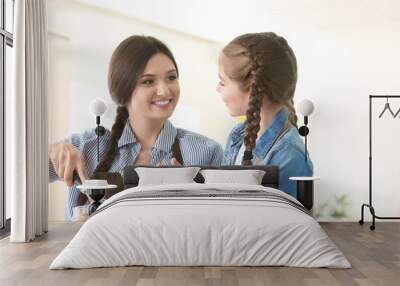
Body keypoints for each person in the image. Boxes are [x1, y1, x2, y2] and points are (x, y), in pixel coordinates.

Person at [49, 35, 223, 221]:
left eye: (171, 77)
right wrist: (50, 151)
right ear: (123, 90)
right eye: (148, 81)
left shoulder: (207, 152)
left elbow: (218, 224)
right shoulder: (84, 147)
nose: (164, 91)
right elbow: (21, 171)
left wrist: (189, 198)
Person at [217, 32, 313, 198]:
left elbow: (287, 223)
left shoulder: (290, 156)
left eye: (222, 82)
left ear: (252, 85)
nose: (217, 88)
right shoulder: (237, 136)